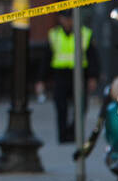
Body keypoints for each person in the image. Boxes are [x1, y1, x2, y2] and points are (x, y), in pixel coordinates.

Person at [35, 10, 98, 144]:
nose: (69, 22)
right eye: (66, 18)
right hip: (61, 75)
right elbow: (46, 59)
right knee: (61, 107)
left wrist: (93, 77)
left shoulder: (85, 34)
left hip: (80, 74)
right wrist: (41, 80)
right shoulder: (54, 35)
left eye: (71, 18)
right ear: (60, 19)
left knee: (80, 107)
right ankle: (63, 136)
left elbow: (93, 57)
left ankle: (74, 133)